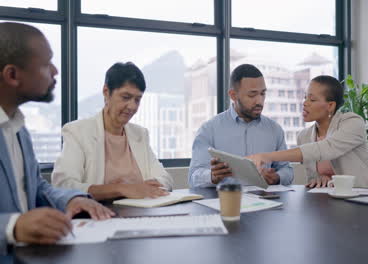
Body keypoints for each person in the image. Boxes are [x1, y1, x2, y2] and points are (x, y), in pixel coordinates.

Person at [0, 22, 114, 254]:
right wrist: (12, 226)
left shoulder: (17, 126)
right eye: (45, 64)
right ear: (12, 74)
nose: (55, 71)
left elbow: (35, 187)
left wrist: (70, 199)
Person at [52, 62, 173, 200]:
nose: (132, 106)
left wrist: (141, 187)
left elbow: (165, 179)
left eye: (137, 100)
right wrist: (120, 189)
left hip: (141, 213)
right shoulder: (78, 132)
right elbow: (64, 185)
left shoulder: (140, 134)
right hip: (100, 214)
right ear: (106, 92)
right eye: (126, 97)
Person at [247, 75, 368, 188]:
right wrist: (321, 178)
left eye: (312, 99)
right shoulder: (304, 136)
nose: (305, 103)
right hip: (330, 203)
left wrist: (267, 156)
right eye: (305, 97)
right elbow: (313, 178)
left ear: (330, 106)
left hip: (365, 198)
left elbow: (325, 148)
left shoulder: (353, 122)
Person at [188, 64, 293, 188]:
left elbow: (287, 171)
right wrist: (212, 176)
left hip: (266, 202)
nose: (259, 101)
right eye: (252, 95)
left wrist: (277, 177)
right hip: (227, 203)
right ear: (233, 95)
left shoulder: (275, 130)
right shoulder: (209, 129)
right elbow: (193, 177)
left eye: (262, 94)